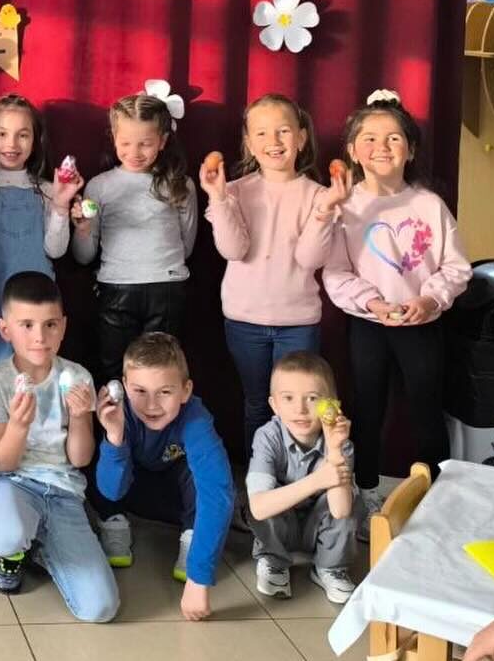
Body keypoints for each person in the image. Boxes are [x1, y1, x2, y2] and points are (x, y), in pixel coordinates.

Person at [321, 90, 471, 535]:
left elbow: (456, 267)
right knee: (366, 408)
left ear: (411, 149)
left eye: (393, 138)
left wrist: (428, 300)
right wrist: (373, 302)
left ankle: (436, 494)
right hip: (369, 325)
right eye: (369, 138)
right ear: (352, 151)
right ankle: (367, 492)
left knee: (426, 408)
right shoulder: (344, 207)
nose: (381, 147)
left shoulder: (429, 205)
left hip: (422, 325)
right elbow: (336, 272)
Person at [201, 93, 345, 448]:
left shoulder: (317, 195)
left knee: (299, 408)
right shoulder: (233, 191)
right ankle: (261, 474)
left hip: (298, 323)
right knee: (257, 403)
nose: (274, 141)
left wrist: (325, 210)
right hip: (244, 319)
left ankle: (298, 472)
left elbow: (310, 259)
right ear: (249, 144)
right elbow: (233, 250)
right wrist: (219, 198)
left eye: (283, 131)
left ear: (301, 138)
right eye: (262, 133)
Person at [0, 272, 118, 622]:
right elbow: (3, 463)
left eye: (50, 325)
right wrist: (18, 426)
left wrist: (81, 417)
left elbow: (80, 458)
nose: (40, 337)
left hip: (63, 492)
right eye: (26, 325)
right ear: (5, 329)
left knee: (100, 608)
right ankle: (11, 551)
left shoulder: (78, 377)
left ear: (63, 326)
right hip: (12, 484)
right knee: (7, 534)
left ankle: (42, 548)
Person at [94, 332, 232, 622]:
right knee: (96, 451)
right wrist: (115, 436)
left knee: (202, 474)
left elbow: (218, 493)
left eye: (165, 392)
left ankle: (192, 536)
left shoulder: (195, 417)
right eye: (140, 391)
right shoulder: (120, 412)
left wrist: (199, 578)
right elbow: (110, 491)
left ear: (185, 390)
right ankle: (114, 521)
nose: (152, 405)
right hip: (128, 490)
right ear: (124, 386)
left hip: (172, 496)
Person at [72, 92, 197, 383]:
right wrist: (82, 229)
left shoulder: (180, 184)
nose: (135, 152)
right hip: (117, 290)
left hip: (167, 289)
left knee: (162, 373)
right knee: (115, 372)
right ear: (114, 138)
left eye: (145, 143)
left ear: (162, 141)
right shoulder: (99, 187)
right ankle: (117, 415)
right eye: (125, 143)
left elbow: (186, 246)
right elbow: (84, 256)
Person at [0, 94, 77, 378]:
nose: (11, 144)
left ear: (35, 140)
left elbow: (56, 250)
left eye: (22, 135)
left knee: (35, 374)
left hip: (37, 306)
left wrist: (61, 205)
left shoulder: (47, 189)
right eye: (1, 134)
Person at [245, 351, 358, 603]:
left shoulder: (340, 443)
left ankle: (330, 566)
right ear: (274, 405)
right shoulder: (267, 437)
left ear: (332, 405)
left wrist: (335, 450)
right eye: (288, 398)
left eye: (313, 398)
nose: (300, 409)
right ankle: (274, 560)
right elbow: (259, 508)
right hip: (281, 525)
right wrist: (318, 480)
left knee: (351, 496)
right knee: (263, 498)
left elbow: (341, 511)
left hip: (318, 526)